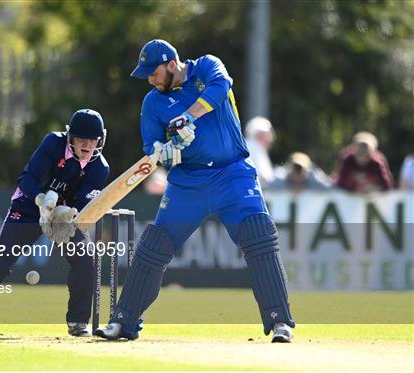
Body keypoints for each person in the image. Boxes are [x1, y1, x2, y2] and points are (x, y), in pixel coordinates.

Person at [95, 40, 295, 342]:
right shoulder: (153, 102)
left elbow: (220, 87)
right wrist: (169, 149)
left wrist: (188, 116)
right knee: (154, 246)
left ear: (172, 64)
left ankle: (280, 322)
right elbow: (151, 148)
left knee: (259, 237)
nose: (150, 79)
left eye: (154, 73)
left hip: (232, 174)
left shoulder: (206, 66)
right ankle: (124, 322)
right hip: (188, 181)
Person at [0, 109, 109, 338]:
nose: (87, 146)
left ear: (101, 139)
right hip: (28, 208)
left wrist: (66, 214)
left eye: (92, 140)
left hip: (61, 220)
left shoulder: (100, 168)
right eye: (81, 140)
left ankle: (78, 322)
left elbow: (83, 205)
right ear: (70, 138)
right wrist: (40, 200)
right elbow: (27, 178)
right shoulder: (52, 143)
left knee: (86, 259)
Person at [267, 152, 332, 192]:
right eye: (295, 168)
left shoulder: (313, 179)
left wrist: (304, 185)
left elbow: (328, 187)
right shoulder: (280, 178)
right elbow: (267, 187)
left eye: (300, 168)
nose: (297, 171)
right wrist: (290, 185)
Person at [245, 116, 275, 186]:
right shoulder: (253, 148)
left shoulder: (255, 147)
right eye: (267, 133)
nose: (270, 138)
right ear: (259, 134)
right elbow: (264, 176)